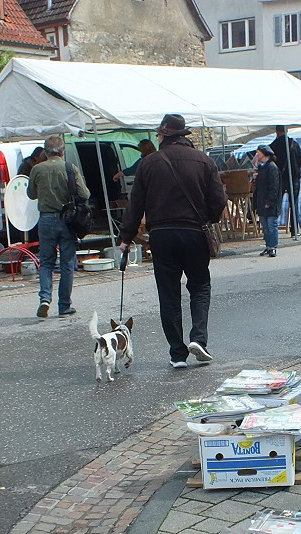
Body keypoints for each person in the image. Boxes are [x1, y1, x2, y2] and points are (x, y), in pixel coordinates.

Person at [118, 114, 225, 369]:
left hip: (162, 235)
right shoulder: (204, 161)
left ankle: (177, 353)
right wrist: (208, 218)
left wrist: (126, 238)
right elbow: (218, 201)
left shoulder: (149, 163)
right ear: (184, 135)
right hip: (194, 232)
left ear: (164, 135)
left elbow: (136, 205)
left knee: (168, 294)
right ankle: (198, 339)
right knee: (199, 286)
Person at [27, 135, 89, 319]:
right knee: (67, 264)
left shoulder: (37, 169)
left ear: (45, 152)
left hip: (46, 219)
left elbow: (31, 194)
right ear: (63, 151)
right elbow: (84, 193)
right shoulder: (70, 168)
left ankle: (45, 299)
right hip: (67, 219)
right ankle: (64, 306)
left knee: (46, 262)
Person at [269, 126, 301, 239]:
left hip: (280, 178)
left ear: (277, 132)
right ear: (286, 131)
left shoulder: (273, 146)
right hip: (294, 178)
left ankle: (272, 230)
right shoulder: (294, 144)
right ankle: (294, 230)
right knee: (293, 205)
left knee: (276, 205)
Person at [251, 145, 281, 257]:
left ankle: (273, 246)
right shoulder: (262, 167)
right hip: (262, 201)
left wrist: (270, 201)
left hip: (270, 202)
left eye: (259, 153)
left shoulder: (272, 167)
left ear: (265, 154)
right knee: (265, 226)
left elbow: (274, 186)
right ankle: (268, 246)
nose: (257, 155)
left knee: (271, 225)